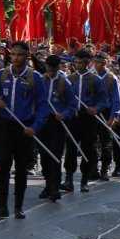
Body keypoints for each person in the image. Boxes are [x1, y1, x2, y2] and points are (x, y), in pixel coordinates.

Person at [0, 40, 47, 217]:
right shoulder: (2, 75)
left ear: (26, 56)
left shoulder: (34, 77)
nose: (15, 58)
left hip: (25, 127)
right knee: (2, 167)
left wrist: (35, 127)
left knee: (21, 168)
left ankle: (18, 206)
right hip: (5, 126)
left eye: (20, 54)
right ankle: (1, 205)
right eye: (13, 54)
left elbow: (43, 105)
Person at [80, 50, 120, 184]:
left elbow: (116, 100)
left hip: (106, 113)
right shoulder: (90, 76)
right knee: (92, 142)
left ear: (105, 63)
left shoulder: (111, 78)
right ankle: (93, 168)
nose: (97, 64)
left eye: (100, 62)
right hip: (92, 112)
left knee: (106, 143)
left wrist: (113, 117)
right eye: (96, 62)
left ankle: (105, 168)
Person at [44, 53, 82, 194]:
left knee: (55, 154)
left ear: (58, 67)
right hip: (42, 122)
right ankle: (47, 185)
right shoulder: (40, 80)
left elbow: (72, 105)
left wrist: (64, 114)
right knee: (44, 155)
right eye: (49, 68)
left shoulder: (64, 83)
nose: (51, 72)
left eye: (54, 69)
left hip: (57, 123)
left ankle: (54, 187)